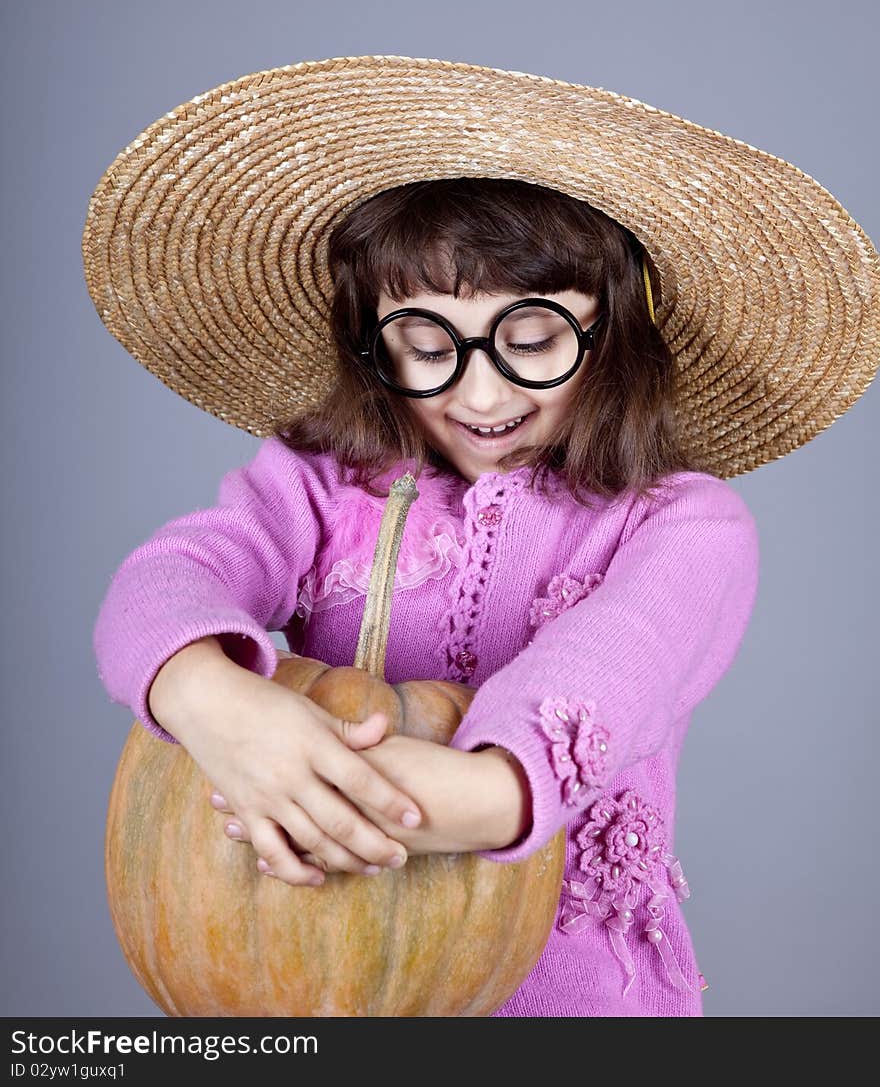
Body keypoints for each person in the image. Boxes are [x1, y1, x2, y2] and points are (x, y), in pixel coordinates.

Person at [84, 54, 880, 1018]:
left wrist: (404, 803)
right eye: (428, 343)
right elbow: (170, 575)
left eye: (533, 337)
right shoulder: (315, 485)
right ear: (369, 341)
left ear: (615, 329)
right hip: (317, 997)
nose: (482, 391)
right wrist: (214, 703)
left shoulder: (681, 527)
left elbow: (602, 674)